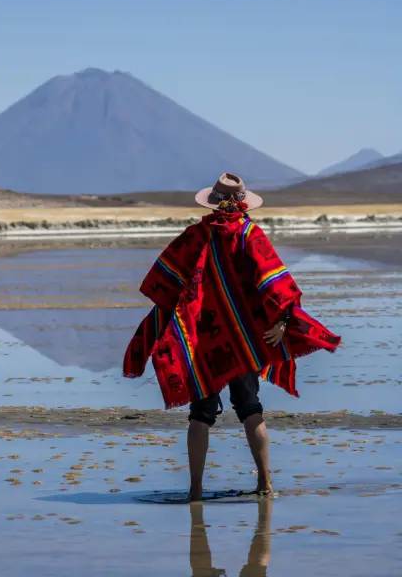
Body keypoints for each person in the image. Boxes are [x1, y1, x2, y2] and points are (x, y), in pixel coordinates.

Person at [123, 172, 341, 501]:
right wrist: (282, 322)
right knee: (250, 408)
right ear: (244, 204)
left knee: (200, 414)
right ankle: (265, 482)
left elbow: (166, 286)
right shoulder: (250, 234)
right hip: (243, 342)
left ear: (212, 202)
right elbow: (276, 284)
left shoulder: (195, 236)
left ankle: (195, 490)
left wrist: (166, 330)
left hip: (203, 342)